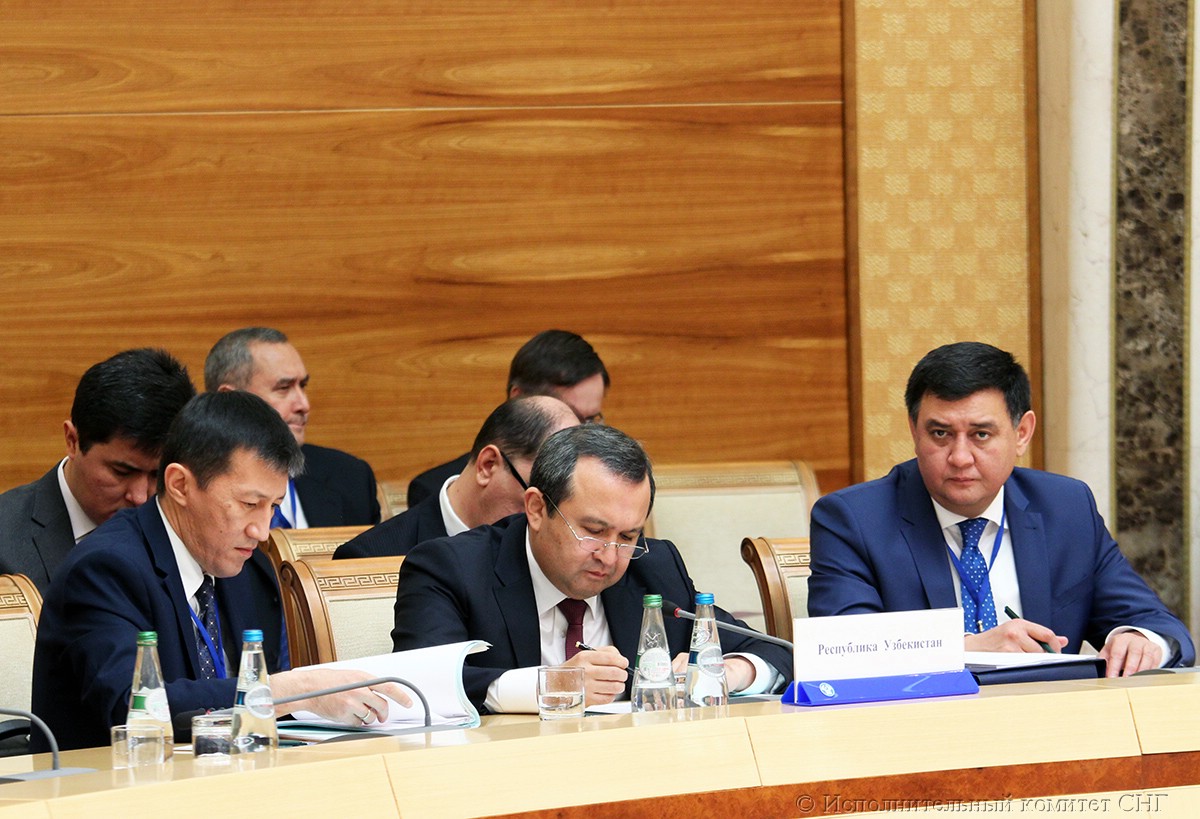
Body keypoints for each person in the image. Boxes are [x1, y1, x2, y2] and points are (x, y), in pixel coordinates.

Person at [31, 391, 410, 752]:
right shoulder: (105, 569)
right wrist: (293, 689)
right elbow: (132, 707)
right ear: (180, 485)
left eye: (274, 506)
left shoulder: (246, 566)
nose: (262, 531)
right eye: (249, 504)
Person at [808, 341, 1195, 677]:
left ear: (1021, 433)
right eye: (940, 434)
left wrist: (1140, 639)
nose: (960, 457)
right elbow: (841, 650)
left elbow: (1157, 624)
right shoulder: (852, 519)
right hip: (916, 725)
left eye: (981, 434)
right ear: (914, 430)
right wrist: (965, 649)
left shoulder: (1066, 508)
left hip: (1050, 725)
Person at [392, 425, 791, 713]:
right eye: (594, 531)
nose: (611, 556)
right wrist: (555, 685)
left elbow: (775, 651)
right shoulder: (451, 569)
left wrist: (728, 672)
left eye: (628, 535)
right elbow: (421, 681)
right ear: (536, 509)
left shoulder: (653, 567)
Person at [0, 348, 196, 592]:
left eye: (157, 475)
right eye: (121, 472)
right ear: (73, 441)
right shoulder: (5, 542)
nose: (139, 497)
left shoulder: (195, 534)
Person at [335, 396, 578, 559]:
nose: (542, 520)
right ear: (488, 465)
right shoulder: (371, 556)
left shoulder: (556, 557)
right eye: (538, 500)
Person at [406, 330, 609, 507]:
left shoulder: (601, 488)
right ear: (519, 398)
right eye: (570, 415)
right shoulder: (433, 491)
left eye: (590, 420)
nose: (581, 435)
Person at [205, 327, 380, 528]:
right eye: (284, 388)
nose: (304, 405)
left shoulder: (350, 477)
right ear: (230, 399)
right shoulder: (198, 488)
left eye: (302, 386)